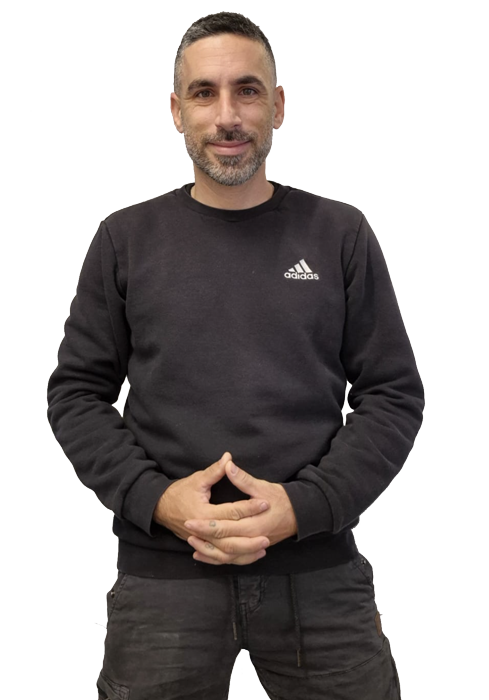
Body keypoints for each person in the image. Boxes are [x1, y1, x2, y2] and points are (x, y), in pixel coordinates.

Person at [47, 11, 424, 700]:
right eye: (204, 93)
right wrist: (158, 500)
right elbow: (76, 394)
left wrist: (303, 507)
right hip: (164, 579)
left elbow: (393, 395)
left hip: (317, 576)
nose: (227, 116)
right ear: (176, 110)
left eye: (247, 91)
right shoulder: (124, 239)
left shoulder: (339, 233)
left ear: (277, 106)